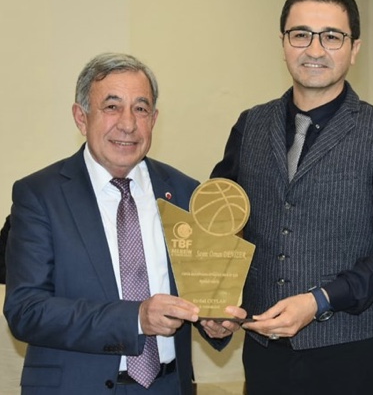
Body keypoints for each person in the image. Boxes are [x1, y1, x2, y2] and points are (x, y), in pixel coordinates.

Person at [210, 0, 373, 395]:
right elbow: (221, 228)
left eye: (331, 36)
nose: (314, 49)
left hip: (355, 355)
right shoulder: (249, 126)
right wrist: (215, 303)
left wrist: (320, 299)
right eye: (301, 35)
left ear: (354, 48)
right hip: (265, 354)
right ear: (283, 42)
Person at [3, 52, 246, 395]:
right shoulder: (40, 195)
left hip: (167, 385)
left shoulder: (185, 192)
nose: (128, 124)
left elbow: (200, 290)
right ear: (81, 117)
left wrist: (214, 321)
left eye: (141, 108)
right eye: (112, 107)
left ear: (154, 119)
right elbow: (26, 310)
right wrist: (135, 318)